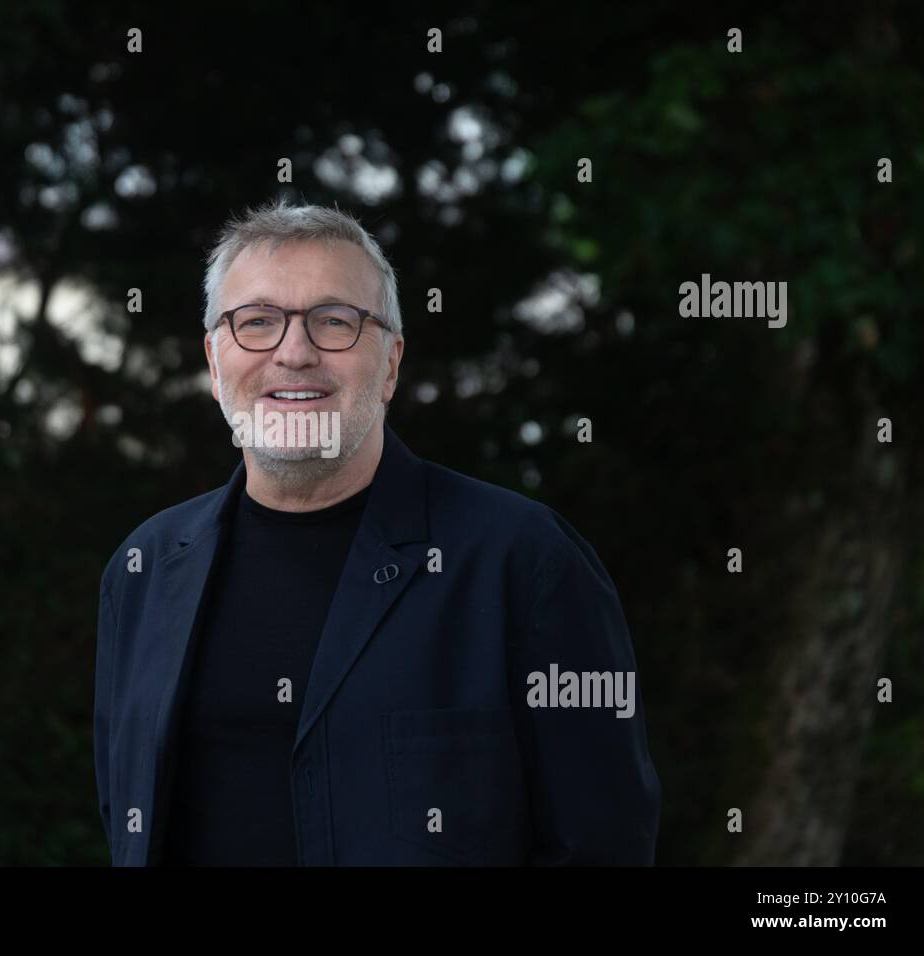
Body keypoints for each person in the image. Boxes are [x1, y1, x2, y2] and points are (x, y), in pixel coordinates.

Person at [93, 198, 661, 865]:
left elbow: (602, 842)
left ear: (390, 362)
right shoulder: (145, 568)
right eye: (256, 322)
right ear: (216, 363)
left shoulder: (524, 561)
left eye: (335, 322)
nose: (294, 352)